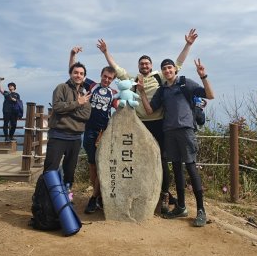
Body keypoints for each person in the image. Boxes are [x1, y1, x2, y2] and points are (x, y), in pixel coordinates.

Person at [97, 28, 198, 214]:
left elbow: (179, 63)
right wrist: (105, 53)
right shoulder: (133, 80)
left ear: (151, 66)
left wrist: (188, 44)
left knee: (163, 159)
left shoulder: (159, 76)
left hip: (160, 123)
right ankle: (142, 192)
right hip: (140, 124)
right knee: (139, 160)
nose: (144, 66)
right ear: (139, 66)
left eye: (147, 63)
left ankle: (164, 194)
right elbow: (117, 69)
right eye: (142, 63)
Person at [137, 58, 215, 227]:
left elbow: (210, 95)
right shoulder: (162, 90)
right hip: (169, 132)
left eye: (169, 67)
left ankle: (201, 209)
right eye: (164, 68)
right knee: (177, 168)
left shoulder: (185, 83)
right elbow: (150, 110)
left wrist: (203, 76)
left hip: (186, 130)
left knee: (191, 167)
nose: (167, 70)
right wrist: (142, 93)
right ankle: (181, 206)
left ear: (175, 70)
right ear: (162, 72)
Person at [68, 46, 119, 214]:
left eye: (110, 78)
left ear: (112, 80)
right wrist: (73, 55)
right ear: (101, 75)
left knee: (102, 164)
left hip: (104, 131)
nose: (106, 80)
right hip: (89, 129)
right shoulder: (92, 85)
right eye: (105, 76)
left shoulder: (113, 93)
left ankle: (95, 197)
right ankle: (97, 196)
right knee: (92, 164)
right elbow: (75, 73)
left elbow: (120, 106)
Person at [42, 62, 92, 202]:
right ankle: (45, 198)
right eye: (76, 72)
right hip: (58, 134)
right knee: (50, 168)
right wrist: (77, 104)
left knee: (70, 171)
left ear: (84, 76)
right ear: (70, 73)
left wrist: (68, 111)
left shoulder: (84, 93)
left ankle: (66, 196)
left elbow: (86, 115)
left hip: (76, 138)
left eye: (81, 73)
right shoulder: (62, 88)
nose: (78, 75)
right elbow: (57, 107)